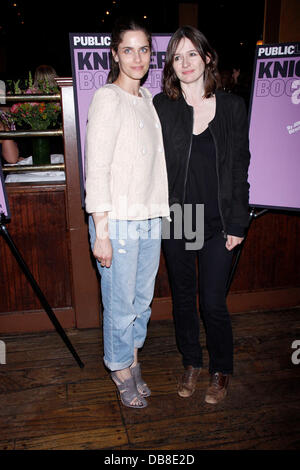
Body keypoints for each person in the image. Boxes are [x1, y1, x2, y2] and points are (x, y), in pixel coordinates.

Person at [153, 26, 250, 404]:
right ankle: (191, 362)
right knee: (182, 299)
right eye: (177, 57)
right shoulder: (163, 106)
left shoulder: (231, 107)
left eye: (192, 54)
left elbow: (240, 166)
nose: (185, 63)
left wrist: (237, 222)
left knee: (212, 301)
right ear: (171, 66)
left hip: (217, 220)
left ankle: (221, 369)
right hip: (179, 217)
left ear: (207, 57)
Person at [85, 17, 169, 408]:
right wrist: (100, 230)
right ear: (116, 54)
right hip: (117, 221)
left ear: (151, 54)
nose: (137, 57)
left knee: (141, 301)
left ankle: (133, 359)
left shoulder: (149, 99)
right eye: (128, 49)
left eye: (144, 49)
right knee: (119, 303)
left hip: (149, 217)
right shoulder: (108, 97)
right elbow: (97, 166)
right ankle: (120, 368)